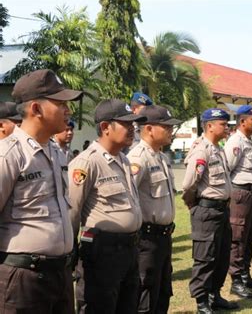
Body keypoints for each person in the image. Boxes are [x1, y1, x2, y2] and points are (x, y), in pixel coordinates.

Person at [0, 69, 82, 313]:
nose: (68, 111)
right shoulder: (8, 154)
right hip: (23, 279)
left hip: (59, 274)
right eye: (60, 103)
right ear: (36, 109)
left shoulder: (55, 153)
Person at [69, 99, 146, 313]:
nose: (133, 129)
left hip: (129, 250)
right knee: (100, 307)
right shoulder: (87, 162)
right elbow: (72, 212)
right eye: (126, 124)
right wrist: (71, 254)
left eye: (133, 124)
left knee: (127, 306)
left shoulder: (124, 160)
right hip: (102, 253)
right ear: (105, 127)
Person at [127, 105, 182, 313]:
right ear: (149, 129)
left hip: (164, 237)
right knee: (146, 292)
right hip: (146, 239)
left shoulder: (161, 157)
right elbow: (129, 198)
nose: (170, 131)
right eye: (165, 126)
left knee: (163, 290)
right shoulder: (138, 158)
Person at [182, 108, 237, 314]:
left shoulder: (218, 148)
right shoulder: (201, 150)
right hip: (207, 210)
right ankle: (201, 301)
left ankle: (215, 294)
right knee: (205, 257)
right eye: (223, 124)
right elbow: (189, 185)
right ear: (210, 126)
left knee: (222, 255)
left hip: (222, 211)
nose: (226, 128)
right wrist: (194, 204)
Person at [224, 105, 252, 300]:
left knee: (248, 237)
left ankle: (245, 274)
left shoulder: (250, 141)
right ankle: (236, 280)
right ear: (242, 122)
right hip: (241, 194)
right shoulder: (235, 142)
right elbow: (228, 170)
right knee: (238, 237)